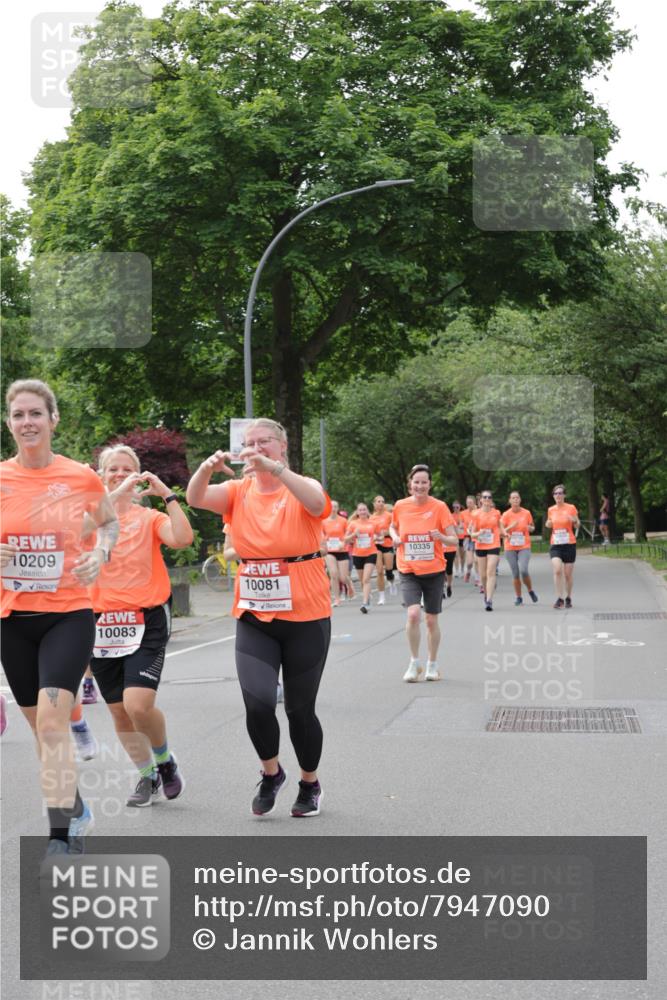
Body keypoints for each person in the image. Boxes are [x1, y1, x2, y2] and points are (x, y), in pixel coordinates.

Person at [186, 418, 331, 819]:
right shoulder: (236, 492)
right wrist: (205, 468)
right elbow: (195, 497)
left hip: (306, 615)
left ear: (282, 446)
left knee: (300, 710)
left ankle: (309, 783)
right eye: (249, 442)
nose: (256, 447)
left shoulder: (301, 485)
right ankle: (271, 773)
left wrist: (277, 471)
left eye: (264, 441)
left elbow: (318, 505)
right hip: (254, 615)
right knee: (258, 703)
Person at [0, 379, 118, 857]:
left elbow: (108, 521)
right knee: (39, 727)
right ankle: (75, 806)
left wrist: (102, 554)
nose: (26, 423)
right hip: (13, 619)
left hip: (67, 614)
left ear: (53, 419)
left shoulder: (81, 478)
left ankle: (61, 835)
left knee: (52, 723)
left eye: (35, 414)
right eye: (18, 415)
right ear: (9, 423)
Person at [89, 445, 192, 806]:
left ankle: (164, 760)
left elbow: (182, 538)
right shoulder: (89, 519)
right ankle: (146, 776)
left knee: (138, 705)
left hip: (143, 619)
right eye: (112, 469)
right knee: (118, 710)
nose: (119, 474)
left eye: (126, 469)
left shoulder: (147, 519)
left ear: (138, 476)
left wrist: (167, 495)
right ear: (101, 475)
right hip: (100, 623)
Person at [390, 465, 458, 682]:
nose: (420, 486)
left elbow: (454, 539)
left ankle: (432, 664)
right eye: (416, 482)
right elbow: (393, 527)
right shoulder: (400, 506)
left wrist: (441, 537)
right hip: (408, 569)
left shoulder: (439, 507)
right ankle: (413, 663)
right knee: (412, 614)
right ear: (410, 484)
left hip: (434, 571)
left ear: (430, 484)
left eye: (424, 482)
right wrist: (395, 537)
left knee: (430, 620)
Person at [500, 491, 538, 606]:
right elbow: (501, 533)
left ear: (520, 500)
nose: (515, 500)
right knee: (515, 573)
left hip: (524, 546)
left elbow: (532, 527)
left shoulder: (526, 513)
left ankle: (530, 590)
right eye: (513, 498)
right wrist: (511, 527)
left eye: (517, 497)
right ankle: (519, 597)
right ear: (510, 501)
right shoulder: (505, 515)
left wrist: (530, 528)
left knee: (524, 570)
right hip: (510, 547)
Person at [545, 484, 580, 609]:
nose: (558, 495)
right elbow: (549, 524)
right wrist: (548, 523)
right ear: (553, 496)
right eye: (556, 493)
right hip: (556, 544)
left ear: (564, 495)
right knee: (557, 570)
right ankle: (559, 598)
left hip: (569, 544)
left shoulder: (571, 508)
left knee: (567, 574)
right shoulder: (551, 509)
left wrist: (574, 520)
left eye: (560, 493)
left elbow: (577, 525)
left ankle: (568, 597)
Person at [469, 490, 502, 611]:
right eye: (485, 497)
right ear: (481, 500)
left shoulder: (497, 513)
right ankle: (486, 593)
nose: (487, 499)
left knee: (491, 572)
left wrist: (505, 533)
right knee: (483, 575)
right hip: (481, 545)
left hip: (494, 544)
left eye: (489, 497)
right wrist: (479, 533)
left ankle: (489, 600)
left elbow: (500, 527)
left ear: (491, 500)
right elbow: (472, 534)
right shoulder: (475, 514)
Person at [345, 502, 378, 613]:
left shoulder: (373, 523)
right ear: (357, 512)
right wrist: (354, 534)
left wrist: (378, 537)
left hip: (371, 553)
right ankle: (367, 596)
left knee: (366, 579)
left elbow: (380, 535)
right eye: (360, 510)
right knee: (362, 581)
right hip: (357, 554)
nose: (363, 512)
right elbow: (345, 539)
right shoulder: (353, 524)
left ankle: (365, 603)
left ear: (367, 511)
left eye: (364, 509)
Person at [321, 500, 352, 607]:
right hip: (330, 551)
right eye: (331, 507)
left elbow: (348, 535)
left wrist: (343, 543)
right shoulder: (323, 521)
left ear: (338, 509)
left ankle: (349, 583)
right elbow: (321, 535)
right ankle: (337, 599)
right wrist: (323, 543)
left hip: (342, 550)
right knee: (333, 574)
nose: (333, 509)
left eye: (335, 507)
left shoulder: (343, 521)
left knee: (342, 578)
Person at [371, 495, 396, 601]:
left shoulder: (389, 515)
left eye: (382, 501)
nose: (380, 503)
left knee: (389, 570)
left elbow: (395, 528)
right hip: (376, 544)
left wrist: (386, 533)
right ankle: (381, 596)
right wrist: (374, 536)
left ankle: (391, 582)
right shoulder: (371, 517)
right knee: (380, 571)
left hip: (387, 543)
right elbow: (369, 531)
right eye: (378, 501)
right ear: (374, 504)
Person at [461, 495, 478, 584]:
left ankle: (477, 578)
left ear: (474, 503)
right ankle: (468, 571)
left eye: (470, 503)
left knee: (477, 560)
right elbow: (460, 524)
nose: (469, 504)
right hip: (468, 538)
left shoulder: (478, 512)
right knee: (470, 562)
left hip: (477, 537)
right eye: (467, 503)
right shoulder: (463, 513)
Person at [451, 501, 466, 578]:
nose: (455, 509)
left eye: (457, 507)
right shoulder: (451, 516)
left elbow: (463, 525)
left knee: (462, 554)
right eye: (454, 507)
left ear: (460, 507)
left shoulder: (463, 515)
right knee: (456, 554)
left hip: (463, 537)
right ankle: (456, 570)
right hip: (455, 537)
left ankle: (462, 569)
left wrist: (461, 525)